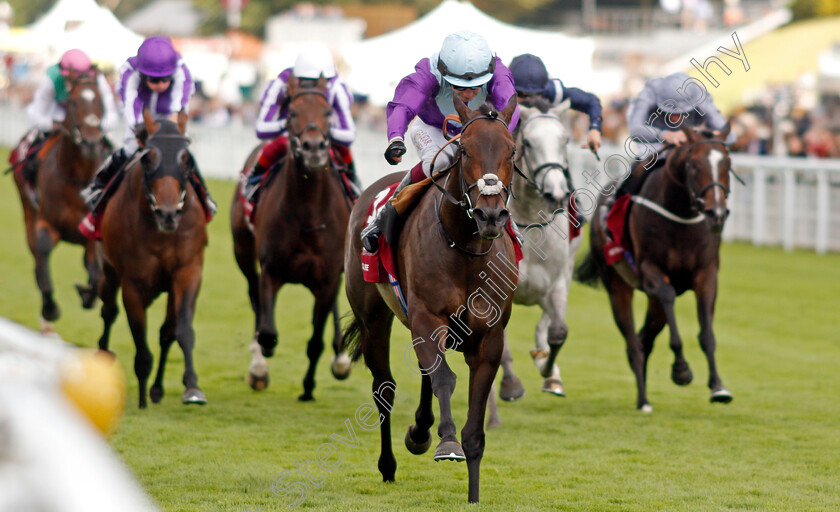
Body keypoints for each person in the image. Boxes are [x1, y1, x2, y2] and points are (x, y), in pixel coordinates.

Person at [360, 30, 520, 253]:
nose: (468, 94)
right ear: (445, 74)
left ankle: (507, 219)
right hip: (433, 128)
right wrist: (396, 137)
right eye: (459, 87)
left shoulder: (498, 71)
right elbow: (403, 106)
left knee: (492, 164)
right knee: (440, 162)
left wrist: (495, 137)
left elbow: (510, 109)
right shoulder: (428, 73)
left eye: (475, 87)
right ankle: (385, 215)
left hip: (479, 130)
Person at [602, 71, 736, 277]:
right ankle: (613, 214)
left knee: (708, 176)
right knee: (638, 173)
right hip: (654, 143)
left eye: (681, 113)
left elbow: (730, 135)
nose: (674, 117)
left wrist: (703, 137)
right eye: (669, 112)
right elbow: (636, 129)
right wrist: (665, 134)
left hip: (690, 146)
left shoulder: (700, 96)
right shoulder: (650, 92)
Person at [81, 36, 215, 216]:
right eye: (153, 80)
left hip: (168, 117)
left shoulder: (182, 71)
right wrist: (144, 133)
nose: (160, 85)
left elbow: (178, 109)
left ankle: (204, 197)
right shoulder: (130, 71)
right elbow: (131, 110)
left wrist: (166, 136)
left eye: (165, 80)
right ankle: (99, 188)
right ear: (143, 75)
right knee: (129, 149)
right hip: (141, 119)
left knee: (180, 153)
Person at [242, 46, 359, 202]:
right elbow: (261, 128)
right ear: (297, 78)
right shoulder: (281, 84)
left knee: (342, 148)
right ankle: (254, 179)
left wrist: (326, 131)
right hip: (291, 131)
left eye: (317, 82)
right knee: (279, 144)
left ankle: (352, 182)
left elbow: (349, 134)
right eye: (306, 82)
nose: (312, 88)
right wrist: (285, 125)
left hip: (321, 133)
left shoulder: (336, 86)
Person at [18, 49, 118, 188]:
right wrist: (50, 124)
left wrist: (101, 126)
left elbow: (111, 113)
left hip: (91, 122)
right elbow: (35, 113)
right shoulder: (52, 77)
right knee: (32, 156)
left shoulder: (98, 78)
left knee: (114, 155)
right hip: (58, 115)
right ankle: (33, 187)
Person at [508, 53, 602, 154]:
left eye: (536, 94)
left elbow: (592, 101)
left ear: (544, 89)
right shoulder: (496, 91)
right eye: (522, 95)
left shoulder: (553, 91)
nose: (530, 100)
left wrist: (595, 129)